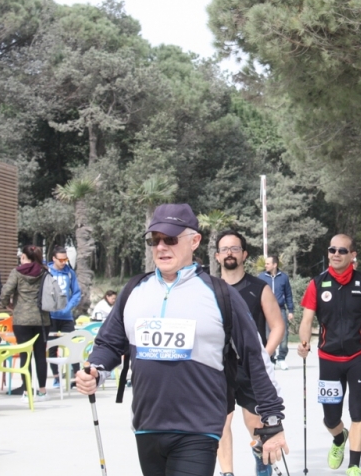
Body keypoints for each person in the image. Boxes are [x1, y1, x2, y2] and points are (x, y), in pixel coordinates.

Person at [75, 203, 288, 476]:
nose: (161, 247)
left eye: (171, 239)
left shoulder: (219, 293)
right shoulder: (134, 290)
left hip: (198, 428)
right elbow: (109, 343)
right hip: (147, 425)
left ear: (195, 241)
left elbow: (254, 357)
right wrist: (96, 370)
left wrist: (271, 423)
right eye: (155, 240)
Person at [297, 234, 361, 476]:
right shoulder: (317, 283)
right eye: (332, 250)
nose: (336, 254)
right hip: (328, 359)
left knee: (357, 411)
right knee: (330, 418)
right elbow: (307, 319)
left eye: (342, 250)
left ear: (352, 255)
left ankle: (354, 465)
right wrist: (303, 343)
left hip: (358, 356)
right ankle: (339, 438)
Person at [215, 230, 285, 476]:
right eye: (224, 249)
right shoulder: (209, 289)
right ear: (217, 256)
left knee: (255, 424)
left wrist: (262, 355)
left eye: (235, 248)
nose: (229, 253)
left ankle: (261, 461)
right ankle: (227, 473)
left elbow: (277, 325)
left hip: (251, 368)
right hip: (219, 368)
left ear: (244, 254)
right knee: (221, 423)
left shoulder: (259, 288)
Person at [0, 245, 51, 400]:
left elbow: (6, 291)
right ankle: (42, 391)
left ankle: (27, 391)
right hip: (42, 319)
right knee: (40, 355)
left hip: (21, 319)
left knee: (24, 354)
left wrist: (7, 304)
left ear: (24, 257)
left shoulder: (17, 272)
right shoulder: (45, 272)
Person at [47, 246, 83, 387]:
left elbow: (77, 293)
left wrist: (68, 307)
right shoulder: (47, 272)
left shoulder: (70, 273)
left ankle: (76, 377)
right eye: (60, 259)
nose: (63, 262)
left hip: (66, 317)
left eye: (65, 259)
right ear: (54, 259)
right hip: (50, 316)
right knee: (52, 347)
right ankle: (56, 377)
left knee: (72, 345)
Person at [258, 254, 294, 370]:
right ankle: (271, 360)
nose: (265, 265)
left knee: (283, 335)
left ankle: (281, 358)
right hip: (265, 310)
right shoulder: (261, 277)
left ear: (275, 265)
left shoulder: (283, 277)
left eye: (268, 263)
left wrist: (291, 310)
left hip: (280, 309)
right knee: (268, 335)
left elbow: (288, 294)